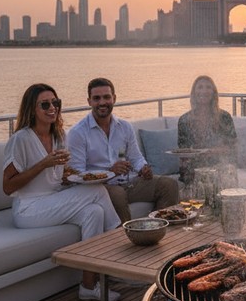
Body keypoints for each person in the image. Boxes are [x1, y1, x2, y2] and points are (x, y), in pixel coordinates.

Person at [2, 83, 122, 301]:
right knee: (97, 190)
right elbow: (8, 186)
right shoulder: (21, 139)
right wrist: (42, 164)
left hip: (53, 201)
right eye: (45, 104)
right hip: (29, 208)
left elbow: (59, 176)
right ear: (32, 108)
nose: (52, 107)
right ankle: (122, 237)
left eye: (55, 103)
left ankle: (88, 286)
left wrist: (71, 174)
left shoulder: (58, 136)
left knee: (94, 212)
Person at [67, 77, 179, 224]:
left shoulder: (124, 127)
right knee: (118, 194)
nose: (102, 102)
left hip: (128, 183)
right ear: (89, 101)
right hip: (100, 188)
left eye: (106, 97)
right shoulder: (78, 133)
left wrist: (143, 167)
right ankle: (126, 240)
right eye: (96, 98)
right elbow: (78, 175)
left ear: (114, 98)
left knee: (169, 185)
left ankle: (156, 229)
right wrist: (110, 171)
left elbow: (136, 157)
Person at [177, 75, 237, 184]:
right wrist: (194, 154)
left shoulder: (224, 117)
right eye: (200, 87)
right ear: (194, 93)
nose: (204, 91)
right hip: (193, 166)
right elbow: (182, 151)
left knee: (226, 171)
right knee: (197, 174)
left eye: (208, 87)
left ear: (214, 92)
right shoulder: (184, 120)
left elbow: (232, 147)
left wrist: (212, 152)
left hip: (219, 163)